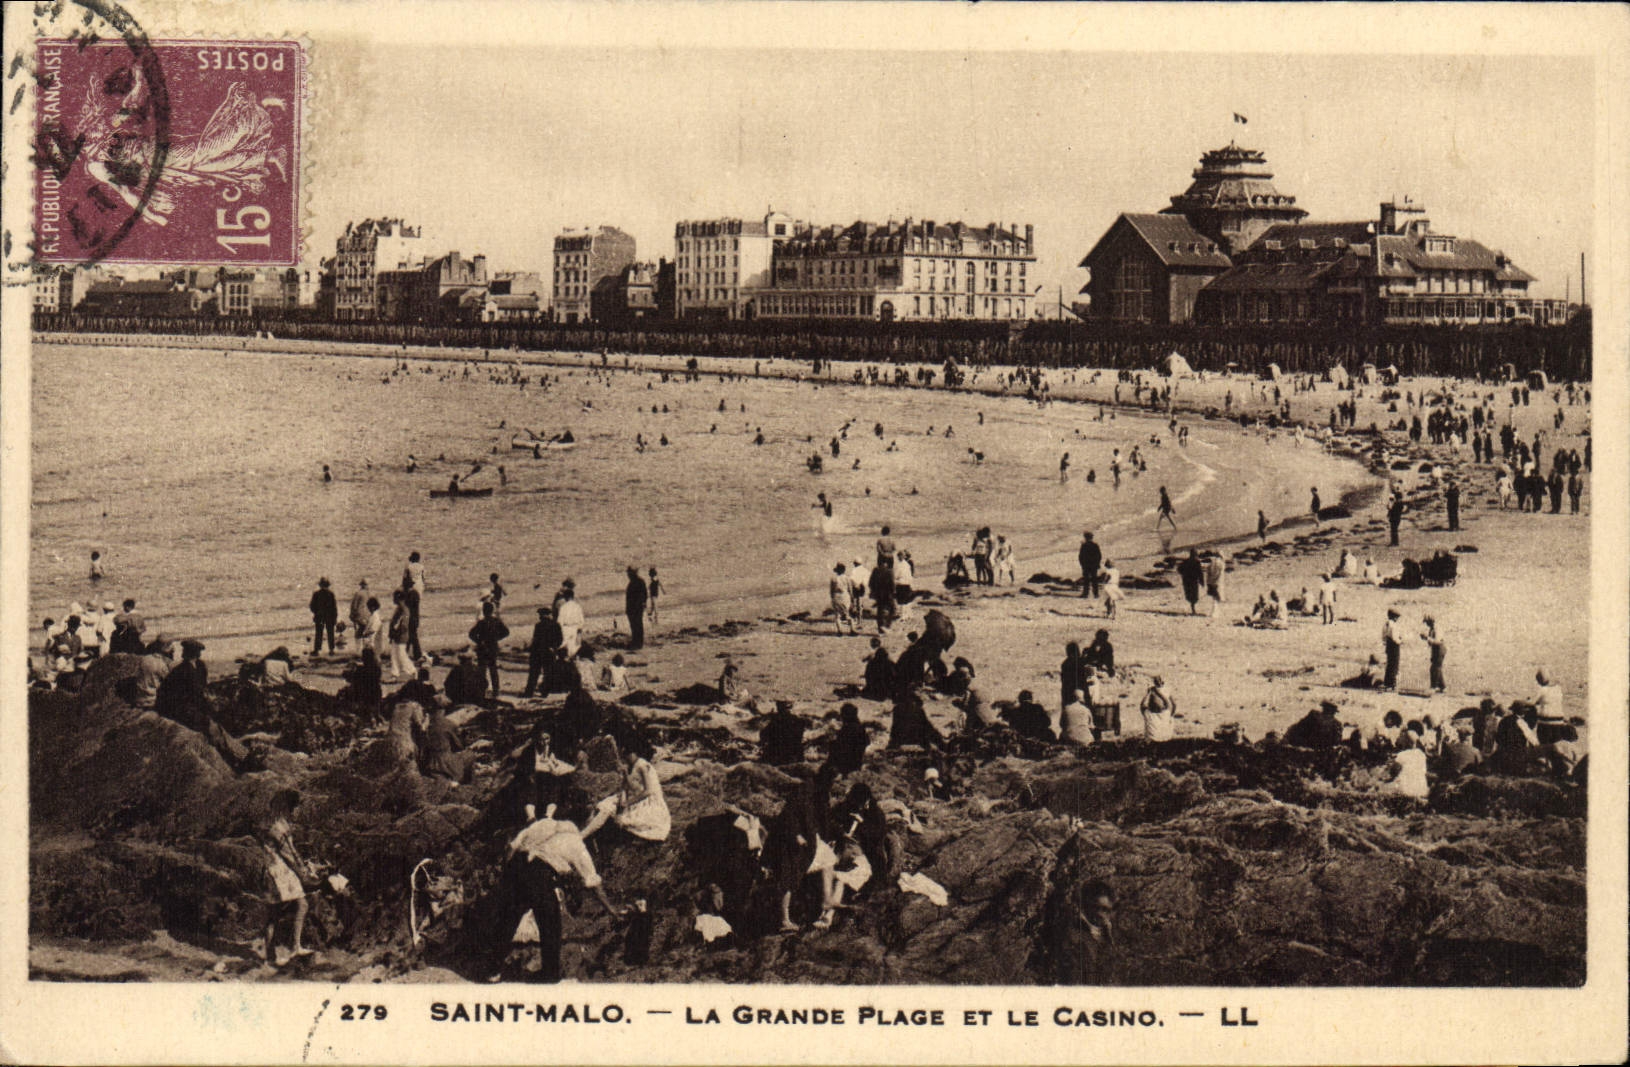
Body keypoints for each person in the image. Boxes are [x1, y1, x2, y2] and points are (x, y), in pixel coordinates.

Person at [482, 800, 622, 983]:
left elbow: (512, 847)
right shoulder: (576, 843)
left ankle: (492, 971)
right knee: (550, 924)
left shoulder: (543, 823)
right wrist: (611, 909)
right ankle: (549, 975)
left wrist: (508, 877)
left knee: (508, 920)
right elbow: (593, 882)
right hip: (541, 875)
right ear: (582, 824)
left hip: (518, 868)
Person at [259, 789, 317, 967]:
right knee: (300, 904)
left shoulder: (274, 824)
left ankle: (272, 956)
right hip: (280, 872)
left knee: (274, 914)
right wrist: (304, 872)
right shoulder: (280, 827)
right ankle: (294, 947)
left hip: (271, 871)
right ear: (288, 808)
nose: (298, 811)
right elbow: (289, 854)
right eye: (296, 807)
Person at [609, 740, 671, 843]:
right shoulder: (633, 765)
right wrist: (625, 774)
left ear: (633, 753)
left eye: (626, 755)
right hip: (639, 795)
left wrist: (628, 803)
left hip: (649, 799)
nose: (626, 759)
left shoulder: (642, 765)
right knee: (622, 818)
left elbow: (648, 791)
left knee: (629, 821)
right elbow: (632, 786)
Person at [468, 601, 511, 699]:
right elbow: (506, 632)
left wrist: (479, 641)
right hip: (492, 647)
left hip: (482, 648)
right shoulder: (496, 621)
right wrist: (496, 639)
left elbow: (471, 634)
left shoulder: (481, 622)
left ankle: (482, 690)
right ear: (492, 611)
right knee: (493, 670)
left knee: (482, 670)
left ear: (484, 611)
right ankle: (496, 691)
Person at [523, 607, 564, 698]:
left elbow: (535, 640)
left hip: (537, 652)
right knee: (548, 673)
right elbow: (560, 639)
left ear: (542, 615)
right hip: (549, 652)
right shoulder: (556, 625)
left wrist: (529, 649)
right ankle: (545, 692)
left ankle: (529, 692)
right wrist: (553, 647)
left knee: (534, 673)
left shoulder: (538, 625)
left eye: (540, 615)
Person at [338, 646, 384, 720]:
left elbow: (346, 676)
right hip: (375, 697)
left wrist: (352, 666)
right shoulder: (377, 669)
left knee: (344, 692)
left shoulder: (360, 670)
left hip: (361, 698)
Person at [825, 702, 870, 775]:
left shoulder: (849, 728)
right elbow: (867, 741)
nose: (842, 717)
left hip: (847, 763)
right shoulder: (859, 727)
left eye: (843, 714)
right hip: (856, 762)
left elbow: (843, 746)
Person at [761, 701, 808, 766]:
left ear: (779, 708)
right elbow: (800, 736)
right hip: (794, 755)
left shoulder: (775, 721)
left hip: (777, 755)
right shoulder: (798, 721)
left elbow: (763, 735)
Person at [1531, 669, 1568, 743]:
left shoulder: (1542, 690)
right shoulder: (1558, 688)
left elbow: (1532, 703)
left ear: (1539, 680)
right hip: (1559, 722)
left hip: (1545, 723)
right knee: (1556, 745)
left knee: (1544, 745)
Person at [386, 589, 414, 680]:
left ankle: (412, 671)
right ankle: (395, 674)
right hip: (397, 636)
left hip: (401, 636)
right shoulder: (399, 609)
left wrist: (395, 633)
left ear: (399, 598)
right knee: (394, 655)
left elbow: (404, 626)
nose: (393, 599)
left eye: (394, 597)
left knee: (401, 655)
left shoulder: (404, 610)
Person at [1139, 676, 1175, 741]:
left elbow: (1142, 705)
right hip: (1159, 716)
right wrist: (1157, 693)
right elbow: (1170, 704)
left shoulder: (1149, 716)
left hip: (1160, 716)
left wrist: (1149, 693)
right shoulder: (1166, 714)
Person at [555, 582, 586, 657]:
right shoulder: (577, 606)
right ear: (573, 596)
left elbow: (559, 621)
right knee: (574, 647)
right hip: (575, 628)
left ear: (566, 597)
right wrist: (579, 629)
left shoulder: (563, 607)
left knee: (566, 647)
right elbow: (582, 621)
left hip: (565, 628)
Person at [309, 578, 338, 655]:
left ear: (320, 585)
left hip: (320, 616)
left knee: (319, 633)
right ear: (328, 585)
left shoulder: (316, 594)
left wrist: (316, 612)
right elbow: (334, 607)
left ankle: (317, 650)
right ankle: (331, 650)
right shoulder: (331, 594)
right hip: (329, 616)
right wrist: (335, 618)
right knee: (330, 633)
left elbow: (312, 606)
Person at [624, 566, 648, 650]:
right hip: (634, 608)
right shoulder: (636, 582)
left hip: (635, 608)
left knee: (636, 625)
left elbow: (644, 595)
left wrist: (640, 604)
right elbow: (644, 595)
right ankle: (636, 642)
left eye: (629, 573)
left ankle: (637, 643)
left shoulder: (637, 582)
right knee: (635, 625)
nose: (628, 574)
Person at [1420, 616, 1447, 693]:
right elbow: (1431, 643)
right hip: (1435, 650)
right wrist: (1425, 638)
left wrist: (1427, 638)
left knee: (1435, 668)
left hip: (1440, 649)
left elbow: (1437, 641)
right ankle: (1442, 687)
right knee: (1437, 668)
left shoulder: (1437, 629)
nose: (1426, 624)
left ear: (1431, 621)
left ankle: (1433, 687)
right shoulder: (1431, 629)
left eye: (1427, 622)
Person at [829, 564, 856, 634]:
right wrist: (852, 599)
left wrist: (832, 598)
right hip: (845, 596)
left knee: (837, 615)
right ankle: (852, 630)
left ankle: (840, 630)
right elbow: (850, 590)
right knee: (848, 614)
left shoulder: (833, 579)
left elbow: (831, 590)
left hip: (836, 596)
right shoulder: (847, 578)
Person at [1176, 549, 1204, 615]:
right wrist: (1201, 581)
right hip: (1193, 581)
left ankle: (1192, 607)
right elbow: (1200, 573)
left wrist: (1184, 574)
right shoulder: (1197, 562)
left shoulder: (1185, 562)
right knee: (1194, 595)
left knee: (1189, 594)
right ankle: (1193, 608)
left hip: (1187, 581)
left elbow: (1179, 569)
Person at [1381, 609, 1402, 690]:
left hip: (1388, 645)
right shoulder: (1393, 625)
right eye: (1396, 617)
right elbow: (1394, 638)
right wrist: (1400, 641)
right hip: (1394, 646)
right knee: (1394, 664)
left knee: (1389, 664)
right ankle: (1392, 684)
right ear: (1394, 617)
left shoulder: (1386, 624)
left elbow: (1383, 637)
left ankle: (1387, 683)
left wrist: (1386, 642)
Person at [1078, 532, 1102, 599]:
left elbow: (1081, 556)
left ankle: (1085, 594)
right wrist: (1097, 564)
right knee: (1094, 579)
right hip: (1093, 565)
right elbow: (1099, 556)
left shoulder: (1084, 545)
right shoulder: (1095, 545)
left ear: (1086, 538)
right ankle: (1096, 594)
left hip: (1086, 565)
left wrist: (1082, 564)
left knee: (1086, 580)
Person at [348, 579, 371, 644]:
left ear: (361, 585)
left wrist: (352, 616)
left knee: (360, 630)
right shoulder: (369, 594)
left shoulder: (358, 593)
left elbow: (354, 606)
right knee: (365, 630)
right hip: (367, 616)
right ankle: (365, 644)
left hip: (359, 616)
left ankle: (359, 644)